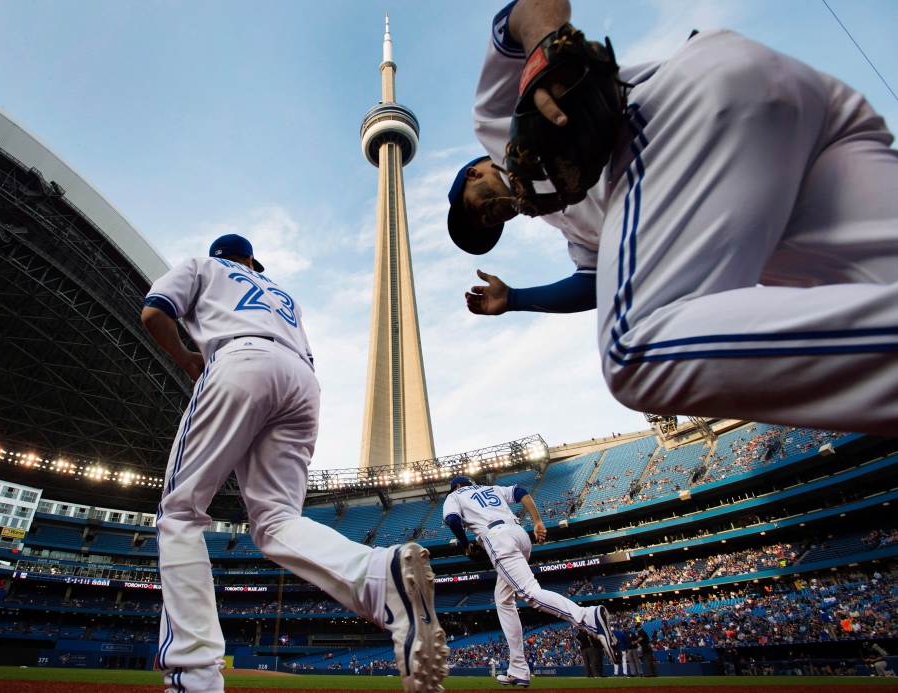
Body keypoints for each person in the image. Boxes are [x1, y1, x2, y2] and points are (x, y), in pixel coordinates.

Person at [447, 0, 898, 435]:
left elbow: (528, 7)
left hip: (674, 109)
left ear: (474, 172)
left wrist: (545, 49)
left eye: (474, 207)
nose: (487, 218)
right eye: (488, 227)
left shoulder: (492, 122)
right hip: (791, 124)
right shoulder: (572, 229)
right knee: (878, 281)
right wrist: (516, 299)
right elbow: (594, 283)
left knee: (634, 349)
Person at [142, 234, 448, 693]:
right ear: (249, 260)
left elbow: (154, 312)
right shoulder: (283, 294)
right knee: (277, 521)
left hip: (240, 358)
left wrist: (187, 358)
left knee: (180, 513)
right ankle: (379, 577)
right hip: (302, 381)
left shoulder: (202, 266)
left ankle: (194, 678)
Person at [443, 475, 616, 687]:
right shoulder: (492, 488)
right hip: (519, 535)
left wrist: (465, 545)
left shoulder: (455, 495)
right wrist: (537, 521)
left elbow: (452, 519)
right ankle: (518, 669)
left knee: (530, 593)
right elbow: (519, 491)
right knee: (504, 600)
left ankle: (588, 617)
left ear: (458, 486)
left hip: (497, 538)